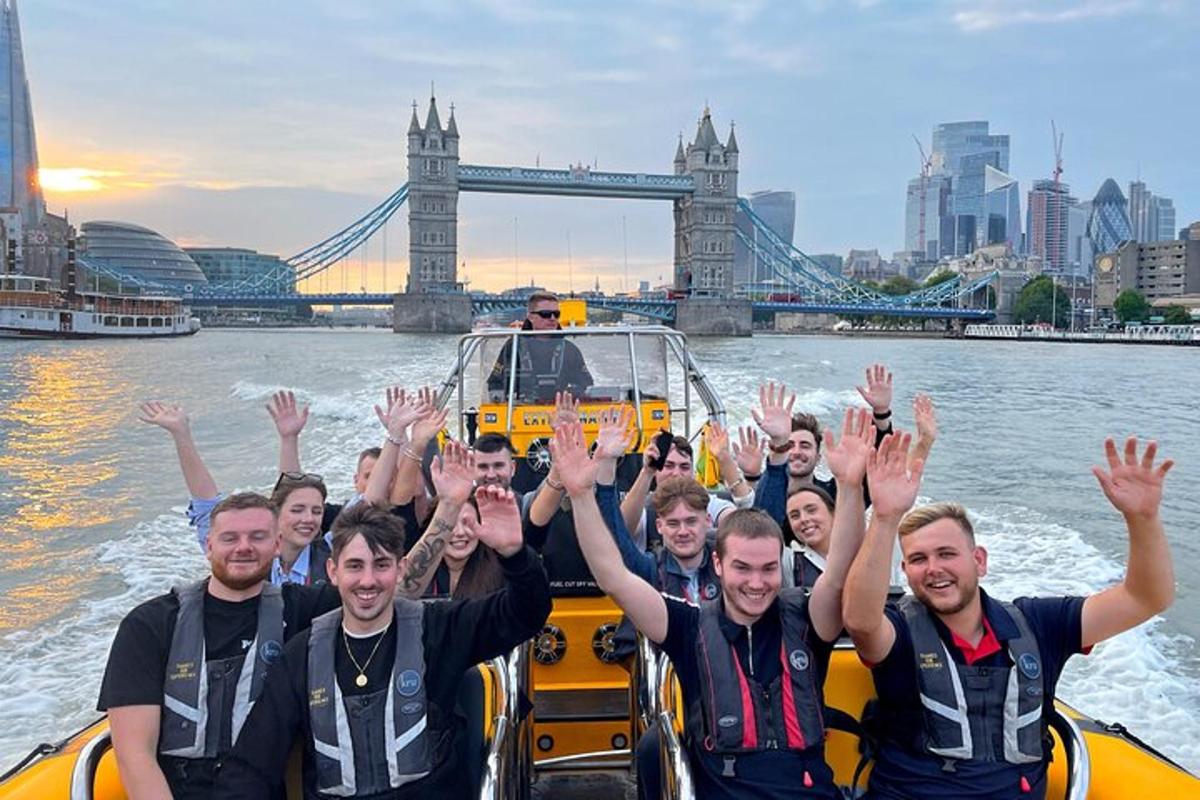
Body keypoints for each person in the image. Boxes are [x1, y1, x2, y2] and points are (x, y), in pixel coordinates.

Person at [551, 413, 874, 799]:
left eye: (769, 568)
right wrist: (581, 495)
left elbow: (839, 570)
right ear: (718, 564)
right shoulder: (689, 627)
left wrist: (851, 487)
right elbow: (612, 576)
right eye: (742, 568)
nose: (757, 583)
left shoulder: (806, 619)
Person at [843, 435, 1176, 799]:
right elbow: (861, 620)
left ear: (979, 560)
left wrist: (1142, 519)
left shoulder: (1038, 624)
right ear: (905, 571)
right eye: (919, 560)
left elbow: (1145, 598)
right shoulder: (900, 630)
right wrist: (886, 518)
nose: (934, 569)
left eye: (946, 554)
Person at [212, 488, 552, 799]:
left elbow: (527, 613)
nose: (368, 581)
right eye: (355, 566)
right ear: (333, 571)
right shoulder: (301, 656)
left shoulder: (439, 628)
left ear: (401, 569)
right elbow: (251, 765)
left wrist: (513, 553)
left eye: (382, 565)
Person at [98, 492, 340, 800]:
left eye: (257, 537)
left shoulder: (305, 610)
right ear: (209, 546)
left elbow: (384, 590)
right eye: (230, 538)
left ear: (277, 544)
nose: (243, 547)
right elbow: (134, 755)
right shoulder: (150, 624)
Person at [486, 291, 593, 403]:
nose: (552, 318)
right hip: (520, 410)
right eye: (545, 314)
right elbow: (495, 383)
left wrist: (571, 394)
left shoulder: (570, 350)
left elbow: (586, 384)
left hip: (560, 409)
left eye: (556, 314)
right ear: (531, 317)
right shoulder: (513, 347)